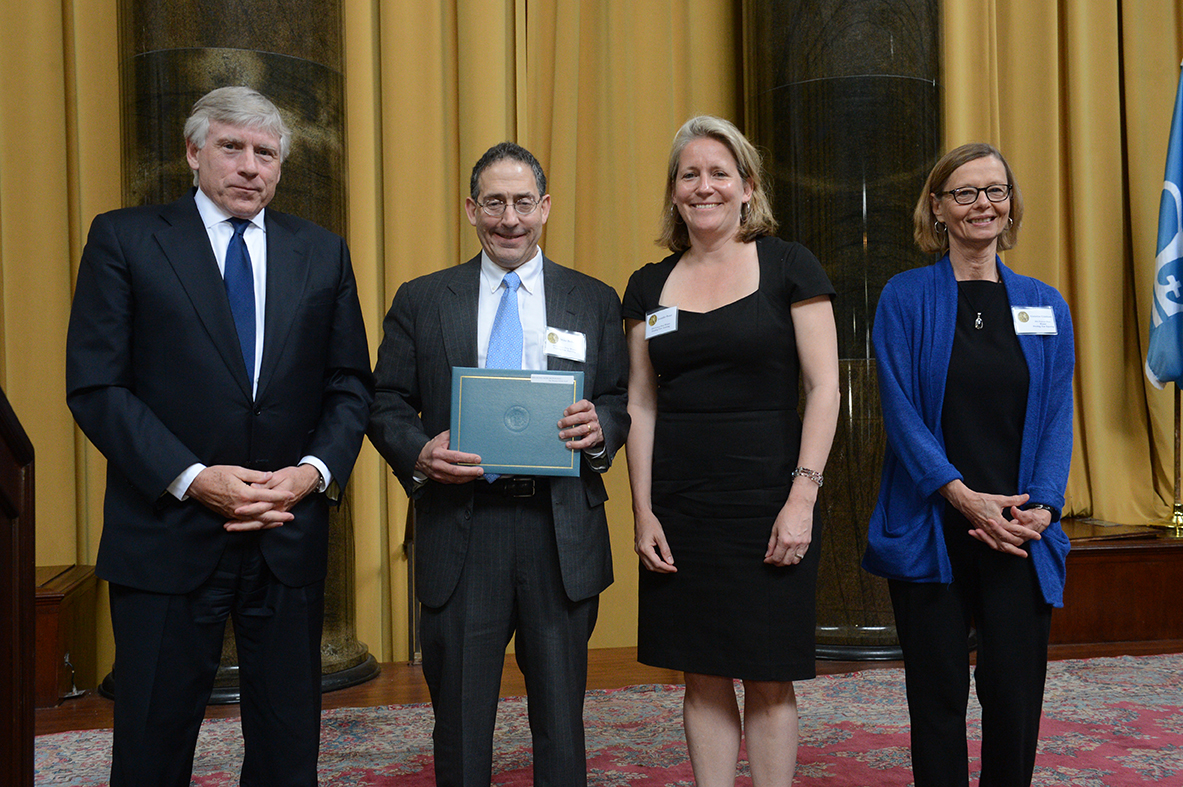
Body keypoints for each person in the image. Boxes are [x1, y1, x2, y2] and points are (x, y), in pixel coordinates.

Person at [65, 86, 373, 787]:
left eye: (266, 153)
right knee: (152, 735)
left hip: (286, 527)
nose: (250, 166)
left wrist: (311, 472)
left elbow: (350, 384)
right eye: (232, 147)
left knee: (288, 738)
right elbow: (96, 386)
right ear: (193, 151)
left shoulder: (321, 253)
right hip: (168, 529)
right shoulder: (126, 239)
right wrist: (194, 478)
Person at [366, 141, 629, 786]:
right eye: (493, 203)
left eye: (521, 203)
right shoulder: (424, 299)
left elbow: (621, 399)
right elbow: (385, 403)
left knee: (562, 721)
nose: (508, 219)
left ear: (544, 208)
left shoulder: (592, 299)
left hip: (559, 530)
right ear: (470, 209)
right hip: (462, 527)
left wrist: (601, 431)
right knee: (457, 720)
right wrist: (420, 454)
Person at [623, 115, 840, 786]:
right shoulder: (645, 285)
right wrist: (642, 512)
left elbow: (826, 385)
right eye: (689, 174)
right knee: (702, 673)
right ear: (673, 191)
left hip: (770, 503)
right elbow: (639, 403)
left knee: (769, 677)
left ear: (747, 187)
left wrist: (801, 497)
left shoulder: (788, 265)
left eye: (719, 173)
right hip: (682, 509)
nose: (703, 186)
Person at [863, 142, 1074, 787]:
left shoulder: (1046, 303)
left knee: (1015, 697)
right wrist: (963, 497)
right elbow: (901, 414)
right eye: (965, 193)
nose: (983, 203)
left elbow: (1057, 413)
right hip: (935, 523)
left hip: (1018, 531)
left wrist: (1039, 507)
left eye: (995, 191)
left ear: (1010, 206)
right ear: (939, 208)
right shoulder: (905, 297)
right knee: (937, 697)